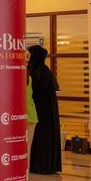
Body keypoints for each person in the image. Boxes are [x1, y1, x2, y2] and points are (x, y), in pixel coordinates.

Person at [28, 45, 62, 174]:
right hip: (37, 109)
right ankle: (35, 164)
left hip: (44, 111)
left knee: (43, 137)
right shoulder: (34, 69)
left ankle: (43, 165)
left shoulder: (43, 70)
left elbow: (38, 87)